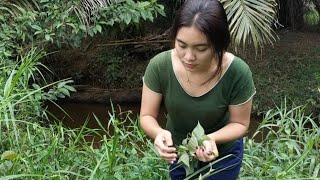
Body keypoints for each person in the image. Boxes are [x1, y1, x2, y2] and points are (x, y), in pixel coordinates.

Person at [139, 0, 256, 179]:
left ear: (218, 44)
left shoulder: (237, 72)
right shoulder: (159, 66)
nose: (188, 57)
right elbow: (147, 116)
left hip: (223, 156)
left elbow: (240, 124)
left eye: (201, 48)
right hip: (179, 154)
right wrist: (159, 133)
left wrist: (211, 139)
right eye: (181, 45)